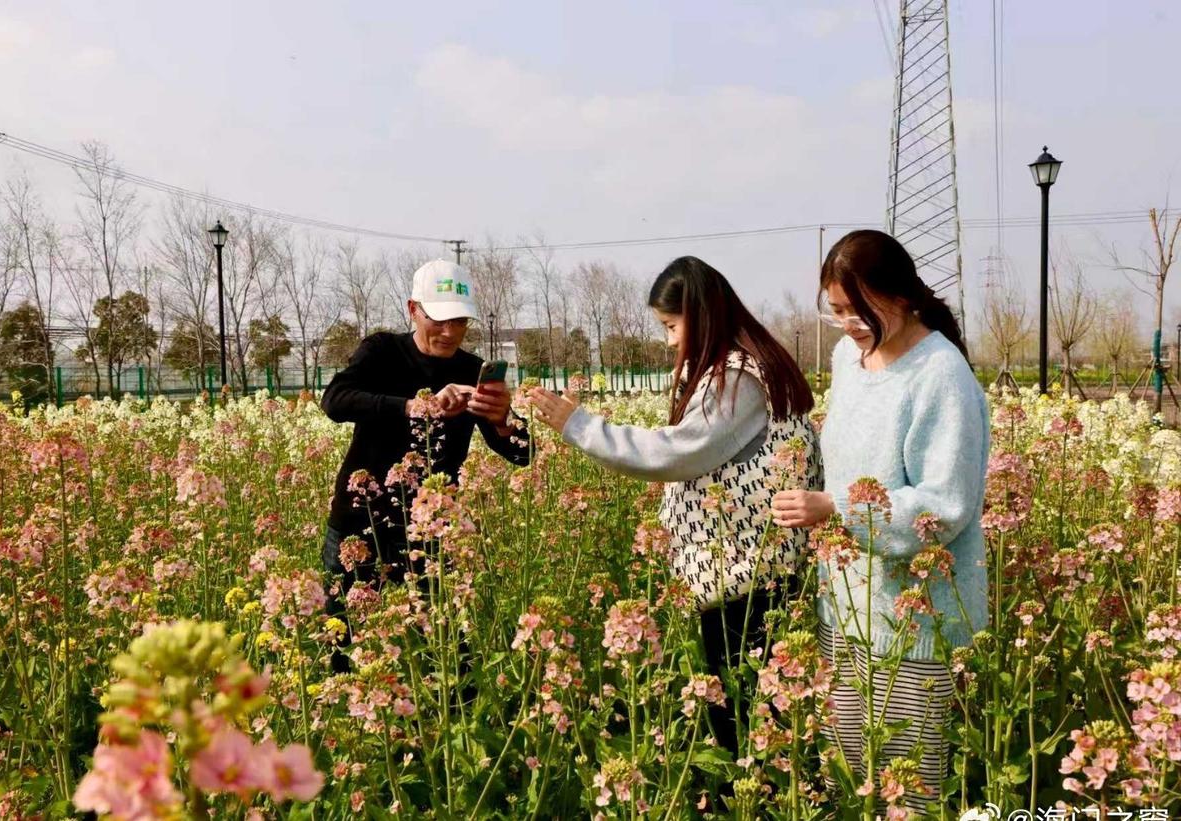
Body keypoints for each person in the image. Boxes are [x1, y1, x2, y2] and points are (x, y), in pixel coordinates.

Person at [528, 255, 821, 756]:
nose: (668, 341)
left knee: (744, 717)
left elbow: (675, 452)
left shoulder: (738, 379)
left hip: (742, 573)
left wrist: (580, 426)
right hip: (754, 567)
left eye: (671, 326)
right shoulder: (753, 365)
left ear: (703, 316)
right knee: (757, 707)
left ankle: (753, 790)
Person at [771, 229, 989, 812]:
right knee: (847, 776)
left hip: (915, 620)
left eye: (858, 309)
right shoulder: (849, 358)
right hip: (846, 603)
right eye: (836, 310)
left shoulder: (941, 375)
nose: (848, 324)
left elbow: (945, 504)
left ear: (902, 296)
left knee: (907, 790)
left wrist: (836, 508)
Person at [320, 258, 530, 595]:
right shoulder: (382, 350)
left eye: (459, 321)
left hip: (433, 530)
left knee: (437, 626)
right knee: (343, 622)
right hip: (361, 521)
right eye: (439, 319)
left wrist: (502, 420)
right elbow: (335, 400)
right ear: (413, 310)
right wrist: (417, 407)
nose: (450, 332)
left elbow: (524, 455)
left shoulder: (472, 369)